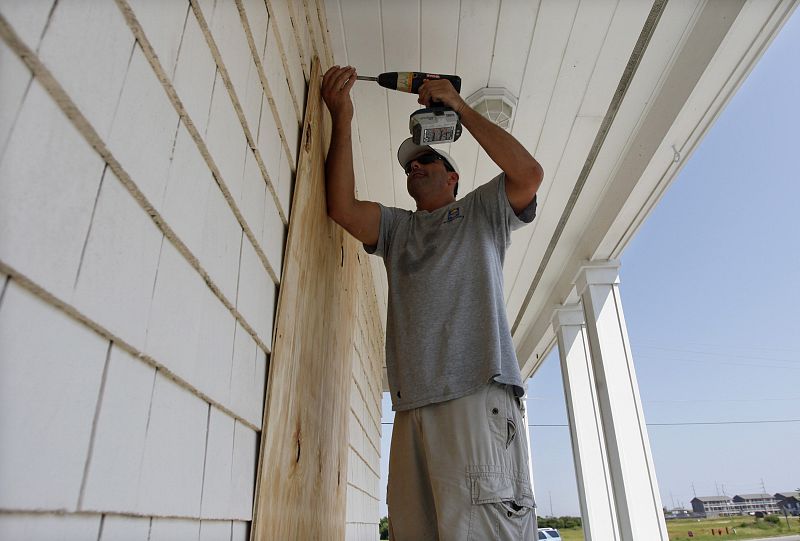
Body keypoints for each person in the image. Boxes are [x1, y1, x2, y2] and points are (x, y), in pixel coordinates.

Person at [322, 65, 544, 541]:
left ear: (453, 177)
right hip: (411, 409)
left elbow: (528, 174)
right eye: (409, 165)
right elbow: (341, 207)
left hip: (476, 393)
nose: (414, 166)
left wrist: (461, 107)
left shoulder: (482, 211)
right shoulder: (397, 229)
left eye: (426, 159)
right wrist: (342, 117)